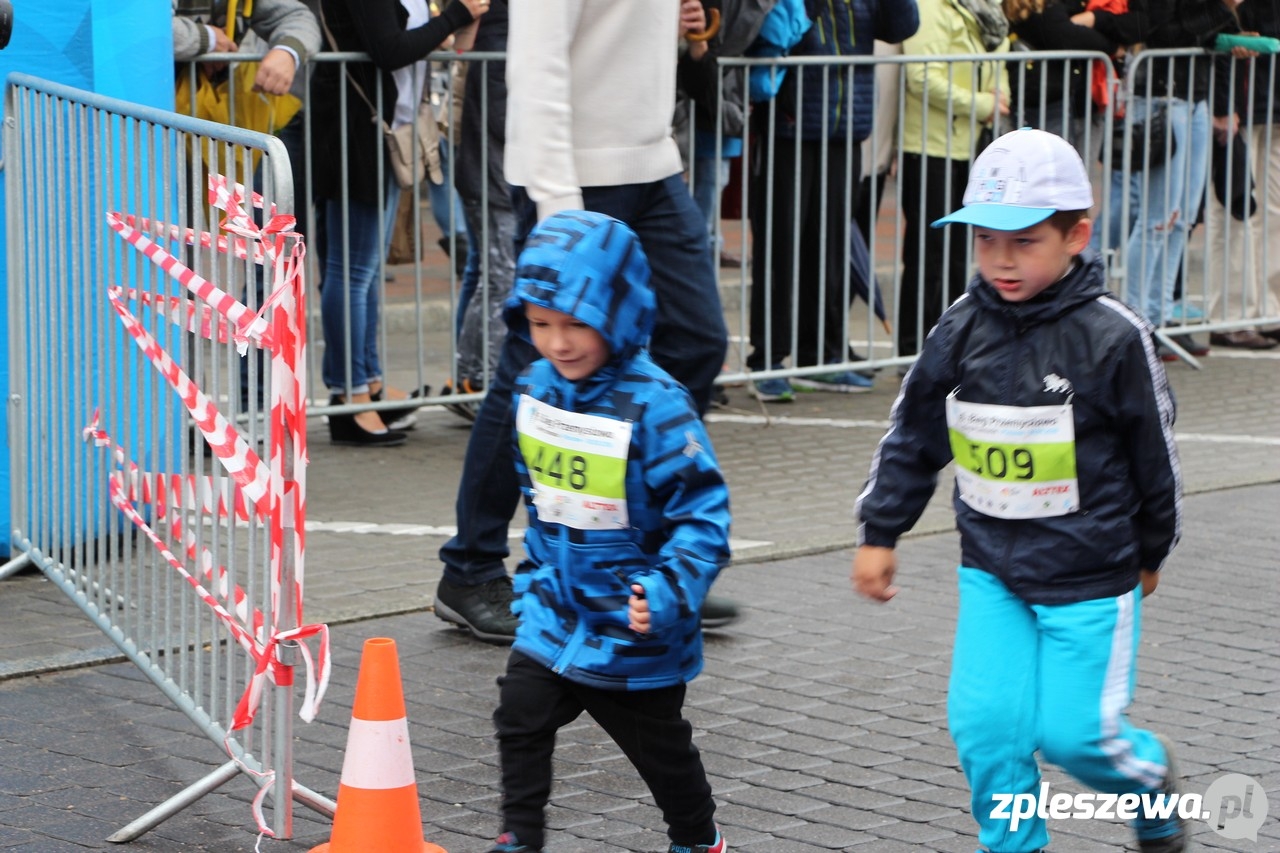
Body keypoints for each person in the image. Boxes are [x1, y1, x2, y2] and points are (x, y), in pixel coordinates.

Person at [852, 129, 1187, 853]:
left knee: (1075, 736)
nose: (1002, 260)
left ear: (1077, 235)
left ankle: (1150, 780)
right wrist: (880, 532)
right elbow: (913, 435)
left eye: (1025, 241)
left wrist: (1152, 549)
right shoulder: (958, 329)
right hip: (993, 570)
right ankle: (1012, 844)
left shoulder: (1115, 336)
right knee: (986, 726)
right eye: (985, 240)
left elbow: (1154, 456)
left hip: (1092, 577)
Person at [432, 0, 738, 642]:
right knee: (533, 365)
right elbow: (537, 66)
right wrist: (560, 209)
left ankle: (646, 556)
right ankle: (470, 568)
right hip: (575, 178)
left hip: (651, 165)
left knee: (698, 339)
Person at [488, 210, 730, 853]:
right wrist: (534, 575)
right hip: (556, 610)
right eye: (541, 325)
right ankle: (520, 838)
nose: (558, 344)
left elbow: (703, 514)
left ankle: (698, 838)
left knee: (661, 754)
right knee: (520, 712)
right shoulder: (534, 387)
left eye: (576, 324)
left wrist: (669, 588)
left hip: (633, 625)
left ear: (619, 313)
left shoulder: (656, 404)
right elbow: (537, 491)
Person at [310, 0, 484, 446]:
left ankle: (365, 384)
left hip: (379, 129)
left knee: (362, 273)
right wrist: (455, 16)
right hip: (357, 130)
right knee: (351, 272)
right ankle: (348, 397)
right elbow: (388, 49)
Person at [746, 0, 920, 402]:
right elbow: (773, 30)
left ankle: (821, 353)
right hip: (790, 127)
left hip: (845, 128)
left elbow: (899, 27)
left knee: (830, 247)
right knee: (781, 246)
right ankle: (767, 359)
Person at [1084, 0, 1238, 359]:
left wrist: (1228, 35)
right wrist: (1222, 17)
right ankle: (1138, 320)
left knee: (1180, 217)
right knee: (1157, 217)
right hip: (1160, 97)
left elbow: (1198, 32)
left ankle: (1159, 315)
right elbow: (1159, 30)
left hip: (1194, 97)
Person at [896, 0, 1009, 361]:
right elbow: (922, 76)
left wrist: (998, 97)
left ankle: (953, 341)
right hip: (930, 144)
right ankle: (916, 347)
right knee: (928, 255)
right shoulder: (931, 8)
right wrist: (979, 104)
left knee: (960, 257)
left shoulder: (987, 9)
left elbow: (998, 67)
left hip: (972, 147)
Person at [1203, 2, 1280, 350]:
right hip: (1241, 100)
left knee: (1271, 212)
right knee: (1236, 209)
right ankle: (1229, 314)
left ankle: (1267, 309)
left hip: (1268, 101)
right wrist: (1223, 106)